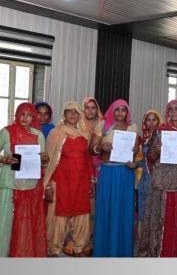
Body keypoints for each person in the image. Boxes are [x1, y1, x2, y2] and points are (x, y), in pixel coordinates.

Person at [138, 100, 177, 257]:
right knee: (161, 219)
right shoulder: (161, 130)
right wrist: (155, 150)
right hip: (162, 181)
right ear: (167, 112)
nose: (174, 112)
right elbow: (151, 157)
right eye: (171, 109)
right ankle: (158, 250)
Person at [44, 101, 94, 257]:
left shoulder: (84, 135)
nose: (73, 115)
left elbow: (87, 160)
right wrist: (48, 186)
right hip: (61, 182)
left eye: (76, 112)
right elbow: (50, 161)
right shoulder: (56, 133)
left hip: (81, 182)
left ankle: (79, 247)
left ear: (79, 115)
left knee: (81, 214)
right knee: (59, 215)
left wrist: (91, 180)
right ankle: (54, 249)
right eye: (69, 112)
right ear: (63, 114)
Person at [90, 99, 139, 257]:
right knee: (107, 209)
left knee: (124, 211)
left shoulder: (133, 127)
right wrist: (101, 148)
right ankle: (104, 250)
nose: (120, 113)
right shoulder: (103, 125)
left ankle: (122, 251)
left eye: (123, 110)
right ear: (112, 110)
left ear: (127, 112)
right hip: (109, 173)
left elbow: (135, 152)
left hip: (125, 174)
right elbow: (92, 149)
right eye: (117, 110)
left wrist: (135, 149)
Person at [0, 103, 49, 257]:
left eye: (29, 115)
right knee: (5, 222)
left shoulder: (38, 135)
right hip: (9, 184)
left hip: (31, 185)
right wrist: (4, 159)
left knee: (26, 224)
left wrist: (45, 158)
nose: (25, 118)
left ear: (33, 117)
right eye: (22, 114)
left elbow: (43, 161)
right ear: (17, 115)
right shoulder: (7, 132)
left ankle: (22, 255)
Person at [135, 109, 163, 244]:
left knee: (156, 211)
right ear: (144, 122)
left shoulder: (163, 138)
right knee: (143, 209)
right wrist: (133, 163)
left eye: (154, 119)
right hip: (144, 180)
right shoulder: (141, 140)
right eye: (148, 120)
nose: (151, 123)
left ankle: (155, 243)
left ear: (159, 121)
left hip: (158, 179)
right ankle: (142, 243)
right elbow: (140, 160)